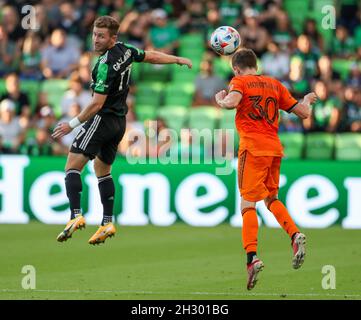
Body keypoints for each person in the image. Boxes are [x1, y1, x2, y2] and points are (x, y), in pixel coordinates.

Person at [52, 15, 192, 245]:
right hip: (119, 123)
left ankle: (75, 215)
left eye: (101, 36)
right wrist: (176, 59)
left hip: (102, 120)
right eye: (94, 34)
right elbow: (150, 56)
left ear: (112, 38)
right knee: (102, 170)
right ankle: (107, 222)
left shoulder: (105, 65)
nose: (95, 40)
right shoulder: (125, 50)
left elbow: (97, 103)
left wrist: (72, 125)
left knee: (72, 166)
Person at [214, 48, 317, 290]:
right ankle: (294, 235)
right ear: (256, 65)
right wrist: (307, 100)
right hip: (274, 149)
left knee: (247, 204)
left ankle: (252, 258)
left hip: (252, 148)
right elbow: (303, 113)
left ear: (236, 68)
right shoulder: (274, 84)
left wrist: (221, 99)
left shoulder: (239, 81)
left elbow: (232, 102)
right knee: (272, 198)